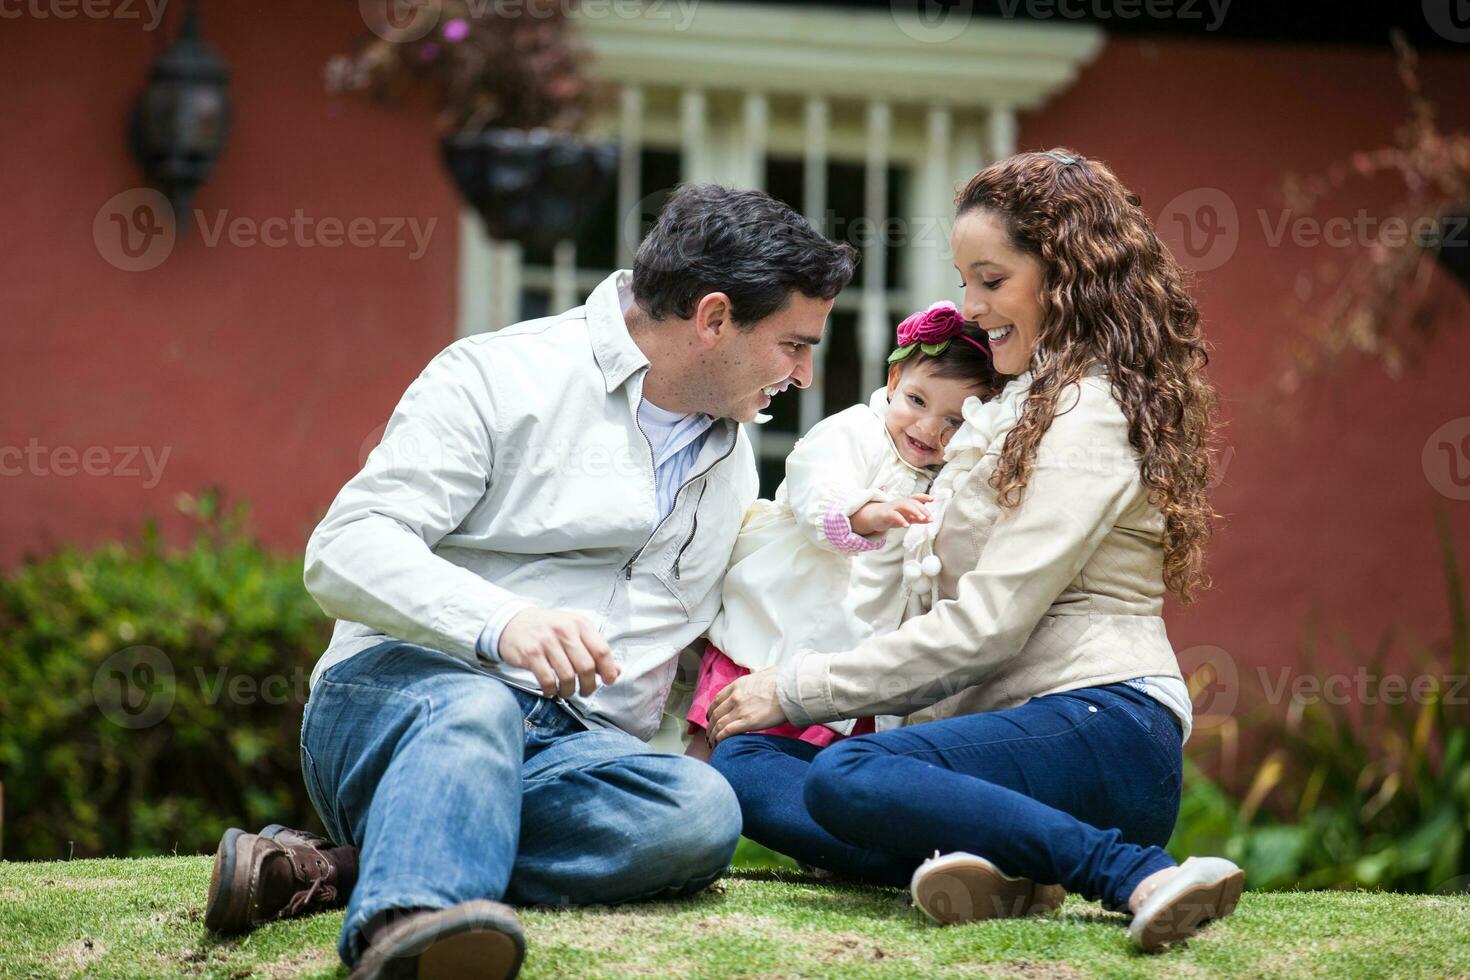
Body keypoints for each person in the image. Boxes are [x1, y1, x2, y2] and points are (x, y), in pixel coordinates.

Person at [202, 183, 858, 980]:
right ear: (714, 318)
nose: (805, 373)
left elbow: (706, 623)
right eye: (794, 344)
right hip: (406, 701)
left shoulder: (733, 460)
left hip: (572, 754)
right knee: (476, 703)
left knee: (701, 810)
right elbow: (345, 547)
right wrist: (502, 622)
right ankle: (406, 932)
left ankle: (339, 870)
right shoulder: (496, 377)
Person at [705, 149, 1244, 953]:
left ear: (1065, 275)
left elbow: (988, 627)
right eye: (965, 282)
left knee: (851, 773)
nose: (972, 306)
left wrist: (800, 686)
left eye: (992, 281)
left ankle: (1132, 870)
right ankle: (1001, 866)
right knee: (747, 765)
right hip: (999, 755)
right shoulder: (1009, 402)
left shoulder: (1090, 411)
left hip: (1103, 727)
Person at [685, 301, 1002, 760]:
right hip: (775, 635)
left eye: (955, 422)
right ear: (894, 383)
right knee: (720, 745)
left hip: (846, 669)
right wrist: (866, 512)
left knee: (812, 775)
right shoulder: (857, 431)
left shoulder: (947, 477)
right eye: (917, 401)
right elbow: (817, 482)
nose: (929, 428)